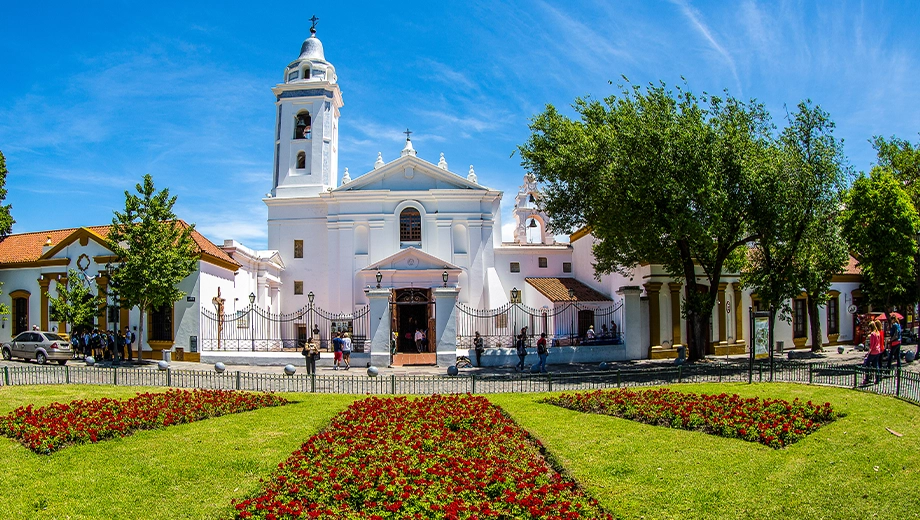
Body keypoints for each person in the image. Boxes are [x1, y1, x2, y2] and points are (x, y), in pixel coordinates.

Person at [863, 321, 883, 385]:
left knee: (867, 364)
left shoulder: (872, 334)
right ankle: (877, 379)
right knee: (875, 365)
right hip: (878, 351)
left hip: (873, 351)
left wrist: (869, 352)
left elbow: (872, 345)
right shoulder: (878, 333)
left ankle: (867, 378)